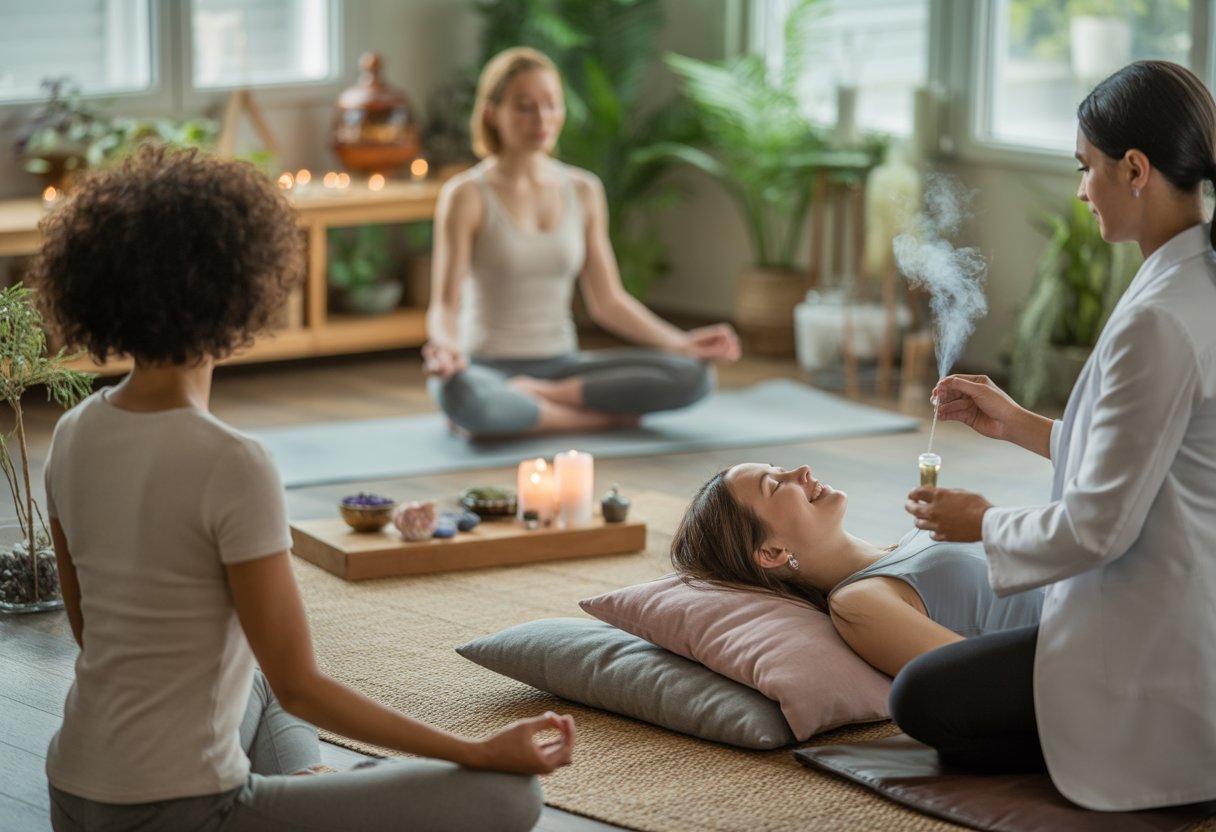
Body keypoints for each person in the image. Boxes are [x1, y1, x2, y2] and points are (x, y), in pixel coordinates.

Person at [33, 144, 575, 832]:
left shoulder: (72, 435)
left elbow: (92, 636)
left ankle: (312, 785)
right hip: (190, 813)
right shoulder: (233, 461)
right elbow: (305, 687)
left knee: (251, 675)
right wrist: (476, 749)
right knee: (509, 795)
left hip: (73, 796)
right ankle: (318, 797)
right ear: (237, 291)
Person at [899, 60, 1216, 812]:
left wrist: (979, 524)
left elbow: (1099, 525)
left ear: (1134, 169)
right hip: (1191, 613)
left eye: (1086, 168)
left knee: (921, 697)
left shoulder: (1159, 318)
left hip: (1155, 641)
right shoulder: (1199, 279)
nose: (1080, 190)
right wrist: (1019, 424)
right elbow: (1153, 455)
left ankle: (1146, 751)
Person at [423, 47, 741, 438]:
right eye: (525, 107)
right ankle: (596, 419)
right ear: (491, 112)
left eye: (552, 105)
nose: (542, 119)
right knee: (460, 394)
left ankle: (538, 400)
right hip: (486, 367)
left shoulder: (584, 189)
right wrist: (447, 349)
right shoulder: (466, 194)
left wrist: (682, 343)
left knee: (694, 376)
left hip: (562, 366)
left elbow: (607, 301)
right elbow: (443, 304)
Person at [669, 462, 1043, 677]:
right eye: (776, 484)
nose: (801, 470)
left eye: (780, 468)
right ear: (771, 552)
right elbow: (986, 679)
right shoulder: (859, 602)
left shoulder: (907, 541)